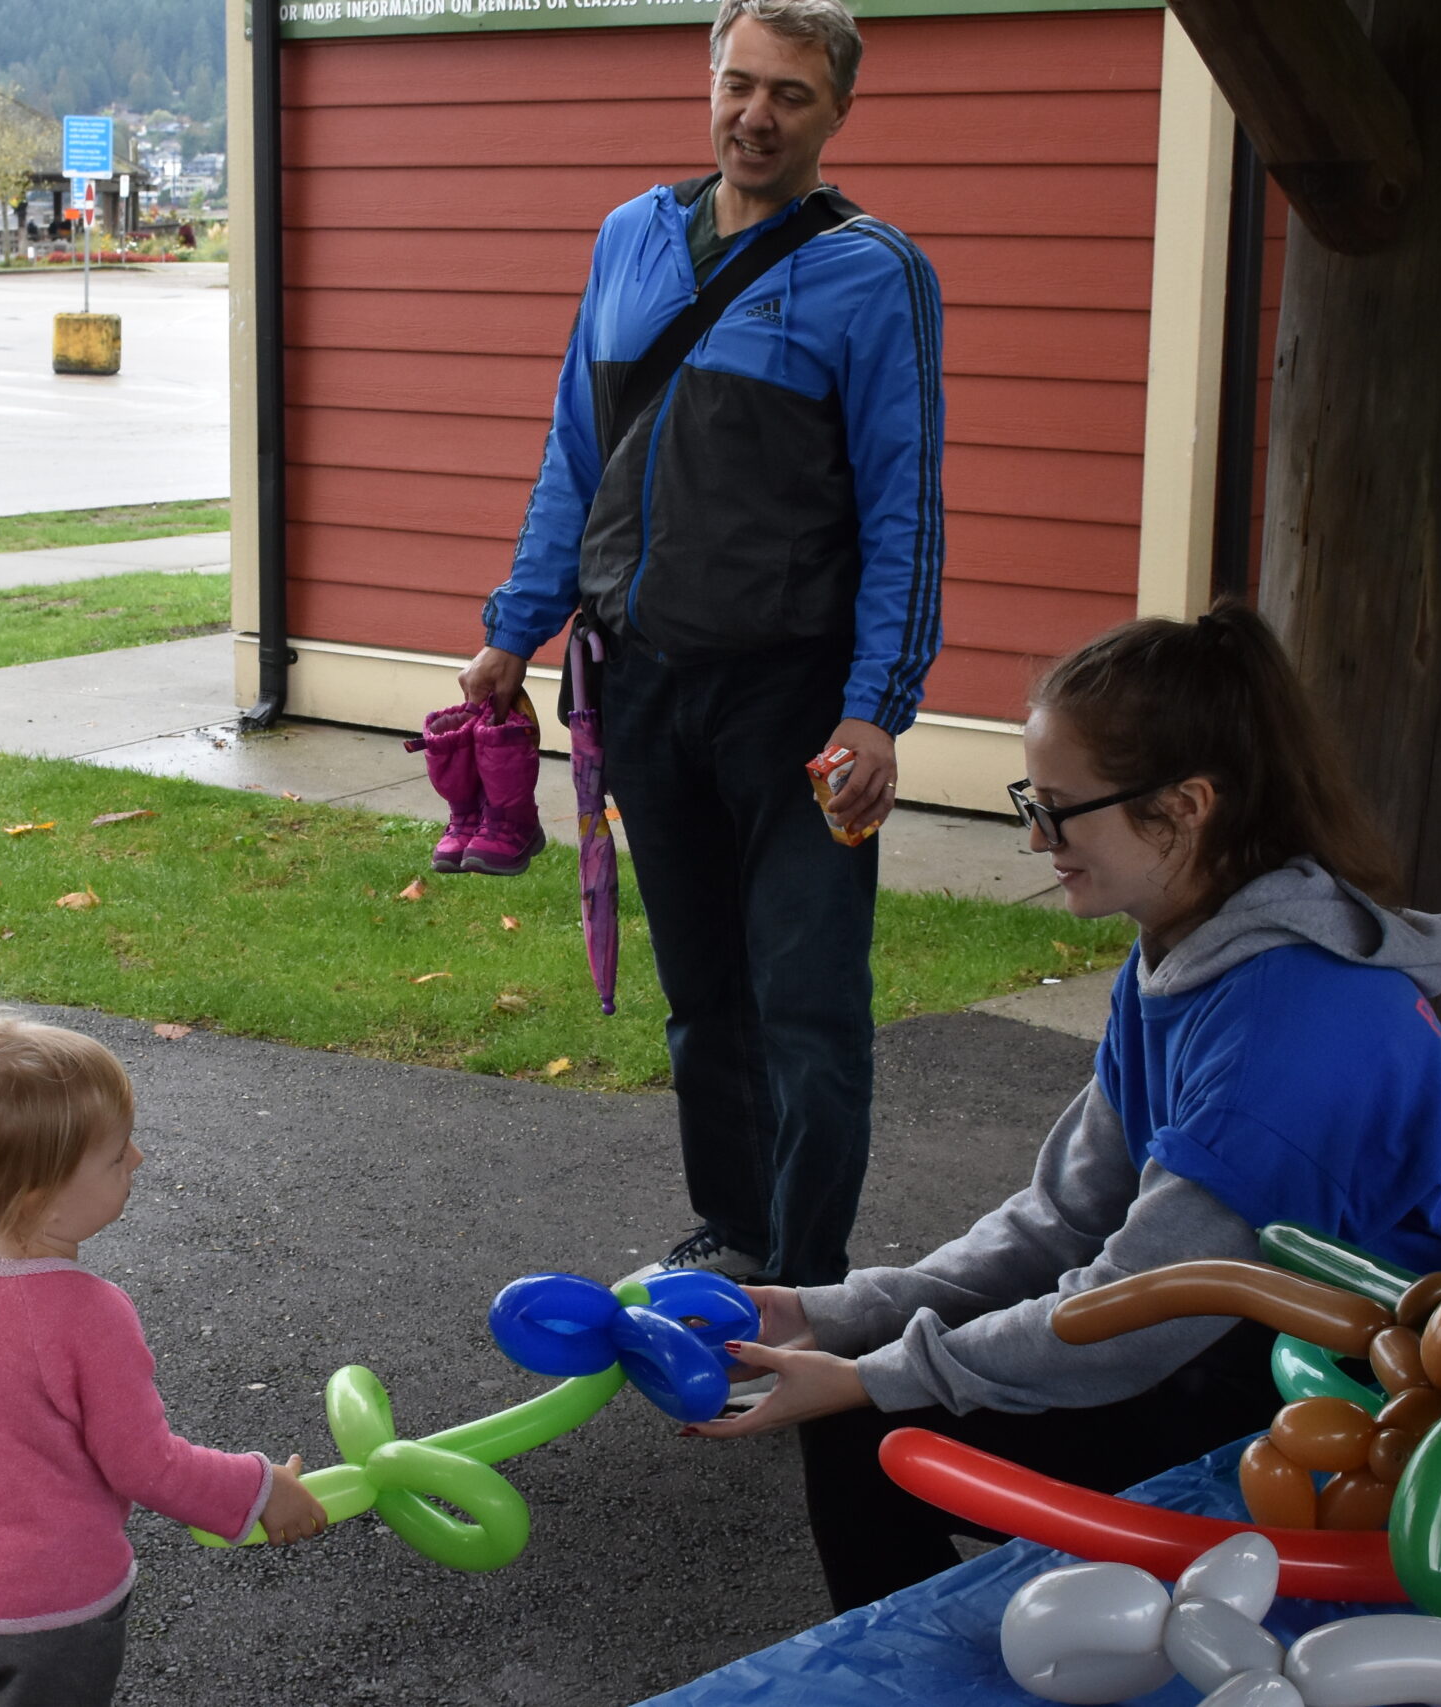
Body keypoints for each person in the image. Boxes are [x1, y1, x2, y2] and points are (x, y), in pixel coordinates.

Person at [687, 606, 1441, 1614]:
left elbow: (1134, 1317)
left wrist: (876, 1377)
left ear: (1186, 805)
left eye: (1060, 809)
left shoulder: (1287, 1024)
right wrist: (830, 1312)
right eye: (1033, 799)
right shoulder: (1180, 949)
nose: (1035, 840)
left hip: (1388, 1402)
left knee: (871, 1426)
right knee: (877, 1389)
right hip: (1257, 1333)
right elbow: (1064, 1219)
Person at [458, 0, 944, 1289]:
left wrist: (877, 708)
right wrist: (516, 632)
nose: (756, 116)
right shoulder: (630, 238)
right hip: (643, 687)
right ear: (708, 82)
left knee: (809, 1004)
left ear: (837, 110)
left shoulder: (873, 272)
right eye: (738, 84)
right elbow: (577, 453)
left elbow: (907, 505)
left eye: (790, 92)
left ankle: (808, 1279)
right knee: (702, 1002)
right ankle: (734, 1233)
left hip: (794, 705)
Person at [0, 1016, 329, 1707]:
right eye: (114, 1155)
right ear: (40, 1194)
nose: (135, 1158)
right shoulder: (88, 1312)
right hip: (50, 1615)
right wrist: (259, 1490)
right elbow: (145, 1463)